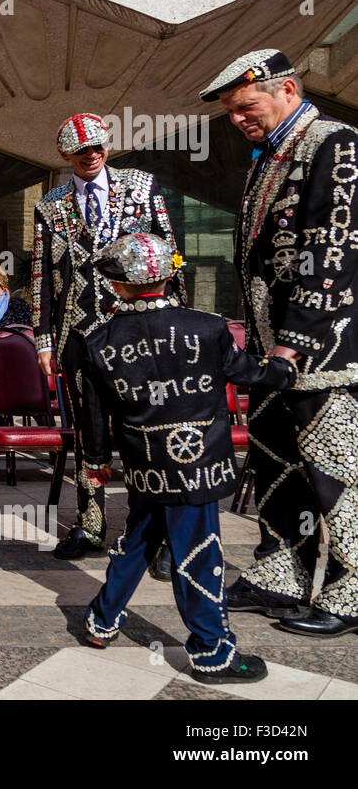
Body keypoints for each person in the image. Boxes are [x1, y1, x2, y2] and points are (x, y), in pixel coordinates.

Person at [71, 233, 296, 682]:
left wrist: (95, 463)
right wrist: (284, 367)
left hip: (145, 466)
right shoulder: (207, 327)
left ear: (118, 286)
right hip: (196, 468)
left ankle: (101, 621)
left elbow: (91, 418)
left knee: (139, 538)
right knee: (198, 554)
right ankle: (212, 653)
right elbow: (248, 372)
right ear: (171, 275)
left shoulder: (94, 340)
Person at [203, 48, 358, 637]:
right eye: (233, 112)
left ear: (288, 90)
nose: (240, 118)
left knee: (335, 468)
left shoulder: (334, 143)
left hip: (322, 353)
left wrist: (292, 346)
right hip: (272, 353)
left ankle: (353, 588)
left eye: (248, 106)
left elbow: (331, 252)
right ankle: (279, 576)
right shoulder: (270, 154)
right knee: (272, 465)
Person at [32, 112, 185, 560]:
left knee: (149, 432)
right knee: (89, 435)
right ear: (65, 156)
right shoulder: (51, 205)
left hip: (140, 331)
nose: (92, 155)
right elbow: (42, 276)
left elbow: (170, 254)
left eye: (98, 146)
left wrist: (174, 321)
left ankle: (155, 536)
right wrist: (44, 339)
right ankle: (91, 524)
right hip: (79, 337)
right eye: (82, 151)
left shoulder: (141, 186)